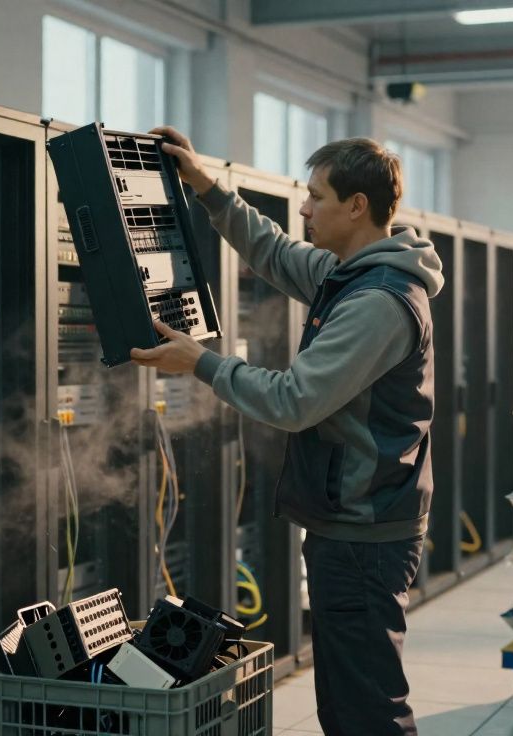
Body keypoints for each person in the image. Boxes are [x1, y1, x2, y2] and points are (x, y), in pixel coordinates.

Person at [132, 127, 444, 736]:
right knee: (347, 706)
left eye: (316, 196)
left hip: (363, 535)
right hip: (353, 523)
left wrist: (201, 363)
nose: (304, 209)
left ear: (356, 206)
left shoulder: (379, 300)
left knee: (367, 713)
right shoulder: (349, 273)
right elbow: (272, 251)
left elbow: (294, 400)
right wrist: (204, 184)